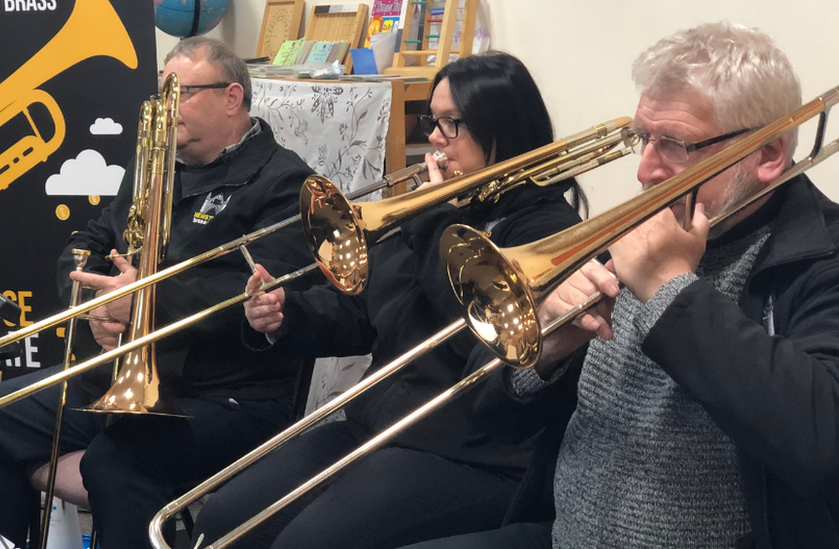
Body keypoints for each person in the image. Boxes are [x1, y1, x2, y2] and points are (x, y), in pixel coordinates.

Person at [399, 21, 839, 549]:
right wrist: (540, 355)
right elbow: (494, 421)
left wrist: (670, 290)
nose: (644, 170)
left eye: (676, 145)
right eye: (644, 138)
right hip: (566, 534)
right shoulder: (631, 231)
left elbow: (830, 446)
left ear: (768, 156)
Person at [189, 52, 589, 549]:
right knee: (224, 517)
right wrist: (286, 312)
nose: (436, 139)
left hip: (469, 452)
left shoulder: (543, 231)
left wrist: (432, 221)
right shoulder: (443, 211)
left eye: (452, 124)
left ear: (501, 130)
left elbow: (481, 330)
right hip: (378, 425)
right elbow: (362, 317)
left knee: (307, 543)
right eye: (432, 120)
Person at [0, 37, 319, 549]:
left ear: (232, 98)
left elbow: (258, 290)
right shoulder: (153, 166)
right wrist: (96, 303)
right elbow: (90, 242)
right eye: (161, 95)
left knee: (117, 467)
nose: (165, 109)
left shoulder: (284, 181)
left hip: (227, 394)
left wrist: (145, 301)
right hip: (125, 377)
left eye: (181, 94)